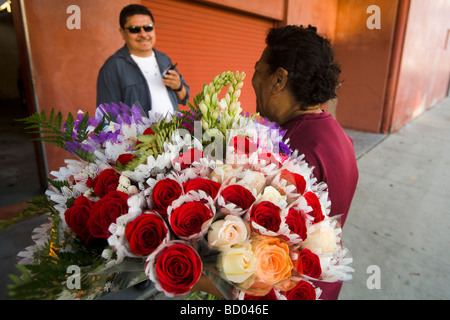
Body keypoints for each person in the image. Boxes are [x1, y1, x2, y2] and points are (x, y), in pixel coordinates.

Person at [252, 25, 359, 299]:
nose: (253, 79)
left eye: (258, 69)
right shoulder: (337, 133)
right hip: (323, 283)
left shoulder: (288, 151)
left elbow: (262, 254)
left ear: (279, 79)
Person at [96, 4, 189, 116]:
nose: (143, 34)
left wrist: (178, 86)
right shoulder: (112, 67)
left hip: (174, 132)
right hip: (138, 134)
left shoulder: (164, 59)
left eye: (148, 27)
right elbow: (107, 118)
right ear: (122, 33)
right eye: (134, 29)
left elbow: (184, 97)